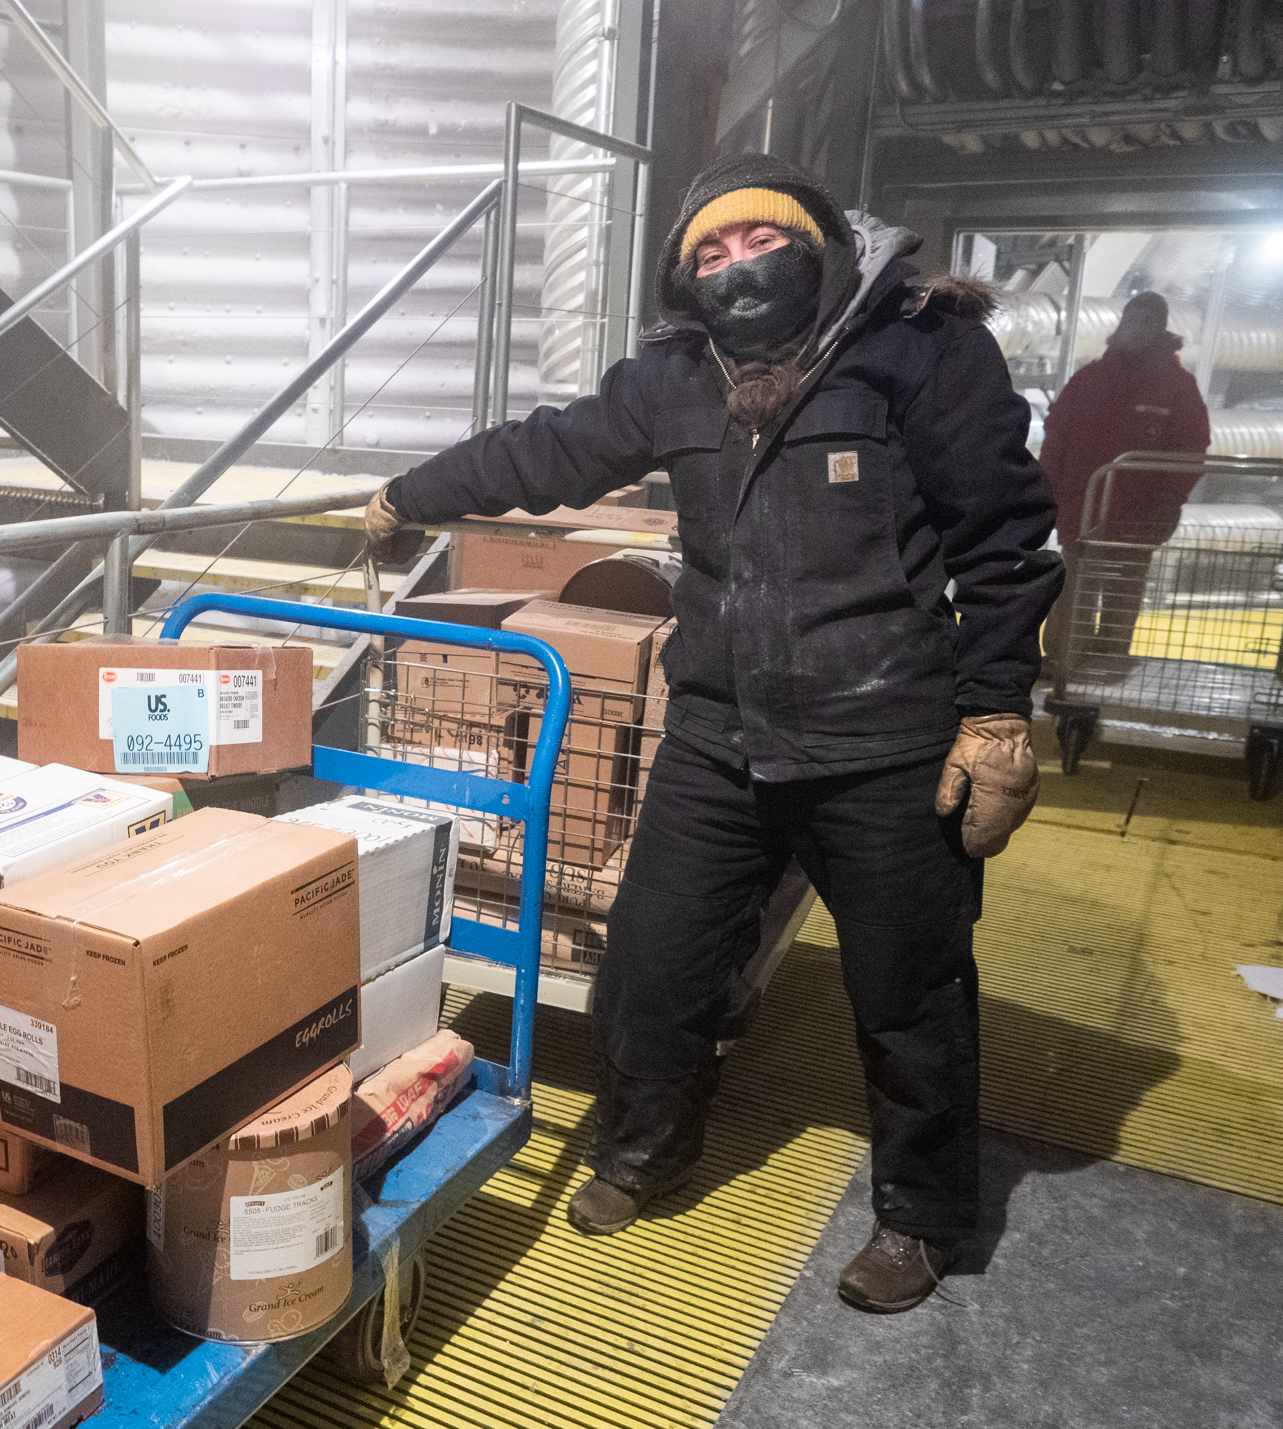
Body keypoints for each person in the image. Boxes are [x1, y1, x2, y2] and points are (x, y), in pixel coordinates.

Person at [363, 153, 1062, 1313]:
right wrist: (408, 492)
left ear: (819, 246)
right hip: (719, 736)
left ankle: (923, 1216)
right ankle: (646, 1147)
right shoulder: (677, 377)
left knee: (909, 991)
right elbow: (544, 451)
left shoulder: (918, 351)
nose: (737, 266)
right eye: (710, 253)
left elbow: (1002, 539)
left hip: (884, 736)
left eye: (760, 241)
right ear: (686, 281)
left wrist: (993, 715)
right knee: (653, 963)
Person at [1036, 291, 1211, 682]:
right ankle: (1063, 659)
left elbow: (1191, 448)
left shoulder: (1177, 388)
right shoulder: (1089, 379)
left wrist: (1170, 500)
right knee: (1074, 587)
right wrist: (1047, 489)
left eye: (1148, 320)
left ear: (1161, 327)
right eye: (1134, 318)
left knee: (1122, 589)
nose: (1138, 327)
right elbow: (1058, 436)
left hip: (1139, 512)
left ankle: (1108, 658)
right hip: (1082, 506)